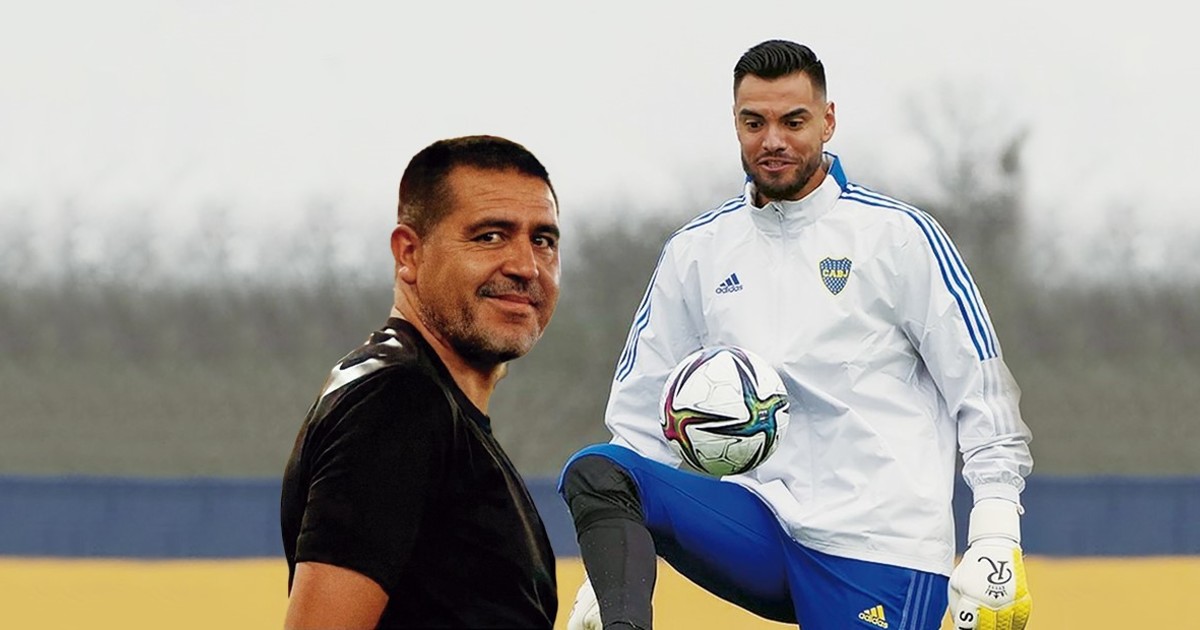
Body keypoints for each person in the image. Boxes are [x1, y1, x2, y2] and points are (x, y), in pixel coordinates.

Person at [559, 40, 1033, 630]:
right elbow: (638, 420)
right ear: (735, 123)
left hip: (878, 549)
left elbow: (982, 395)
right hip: (762, 527)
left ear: (828, 121)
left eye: (793, 121)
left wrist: (995, 531)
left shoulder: (900, 237)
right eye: (754, 122)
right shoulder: (696, 252)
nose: (773, 140)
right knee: (600, 472)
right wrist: (606, 579)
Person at [281, 135, 561, 629]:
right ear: (409, 253)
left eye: (543, 240)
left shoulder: (423, 403)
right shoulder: (396, 403)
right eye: (489, 236)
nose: (525, 266)